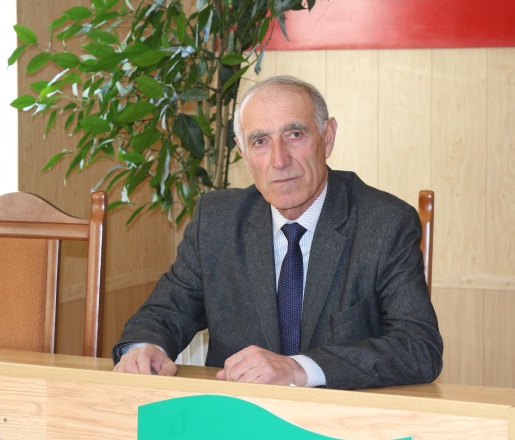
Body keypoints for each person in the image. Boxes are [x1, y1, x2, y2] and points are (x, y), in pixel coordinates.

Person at [112, 75, 443, 390]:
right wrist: (145, 349)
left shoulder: (385, 223)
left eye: (294, 135)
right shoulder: (216, 220)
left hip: (340, 417)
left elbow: (418, 348)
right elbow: (165, 312)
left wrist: (299, 369)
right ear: (243, 153)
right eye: (260, 141)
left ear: (327, 137)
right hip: (239, 417)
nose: (279, 160)